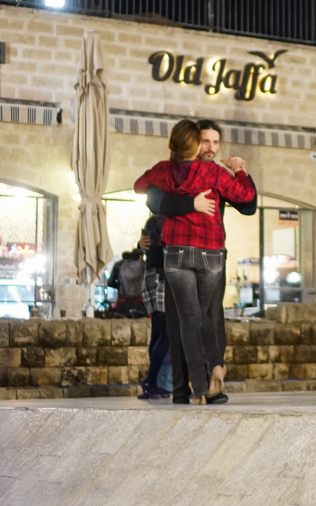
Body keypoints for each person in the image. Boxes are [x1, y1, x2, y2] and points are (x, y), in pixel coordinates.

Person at [133, 119, 256, 405]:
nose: (210, 147)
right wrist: (237, 174)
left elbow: (141, 188)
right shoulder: (213, 172)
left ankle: (199, 389)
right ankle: (212, 370)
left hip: (177, 253)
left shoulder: (164, 170)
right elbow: (246, 195)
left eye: (215, 142)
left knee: (193, 319)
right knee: (197, 319)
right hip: (210, 251)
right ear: (194, 144)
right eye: (205, 142)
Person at [137, 215, 170, 400]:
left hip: (151, 277)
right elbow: (156, 246)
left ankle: (153, 383)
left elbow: (147, 245)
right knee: (165, 334)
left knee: (158, 333)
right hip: (160, 279)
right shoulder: (163, 221)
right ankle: (151, 380)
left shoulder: (152, 221)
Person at [107, 250, 146, 318]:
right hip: (140, 302)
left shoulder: (118, 264)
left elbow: (110, 283)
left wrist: (121, 286)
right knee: (141, 326)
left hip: (123, 302)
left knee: (122, 325)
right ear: (140, 256)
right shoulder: (144, 264)